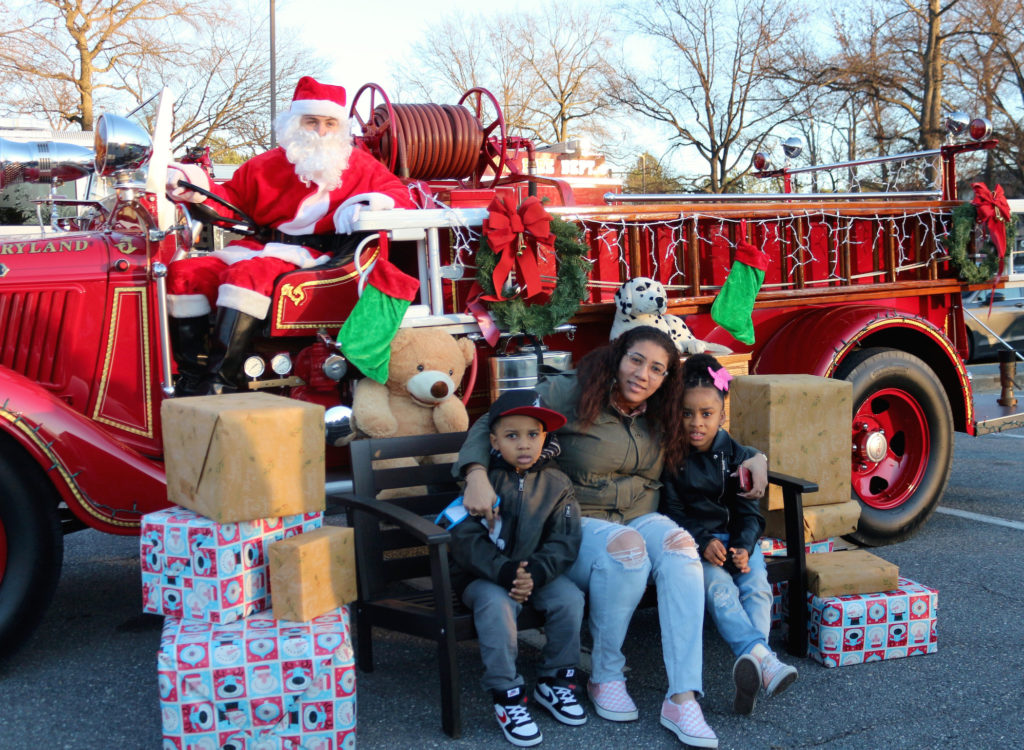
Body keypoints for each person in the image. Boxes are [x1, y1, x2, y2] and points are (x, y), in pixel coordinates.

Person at [457, 325, 769, 749]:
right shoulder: (575, 390)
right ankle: (605, 675)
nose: (644, 374)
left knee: (680, 548)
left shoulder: (663, 404)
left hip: (640, 516)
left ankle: (682, 696)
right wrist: (475, 473)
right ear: (619, 355)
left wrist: (756, 457)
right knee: (629, 550)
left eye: (657, 369)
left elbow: (712, 435)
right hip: (576, 521)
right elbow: (496, 418)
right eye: (636, 360)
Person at [163, 75, 414, 395]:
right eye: (311, 121)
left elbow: (400, 196)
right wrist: (191, 184)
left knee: (246, 275)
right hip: (262, 246)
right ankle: (191, 374)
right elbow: (229, 201)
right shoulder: (265, 165)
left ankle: (219, 380)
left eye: (329, 123)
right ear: (295, 122)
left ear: (340, 128)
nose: (321, 132)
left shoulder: (362, 166)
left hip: (317, 254)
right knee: (185, 272)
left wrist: (367, 204)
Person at [445, 388, 585, 747]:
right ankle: (507, 696)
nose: (524, 444)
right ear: (493, 441)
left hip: (534, 572)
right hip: (484, 578)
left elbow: (565, 540)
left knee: (569, 598)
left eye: (533, 435)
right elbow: (464, 540)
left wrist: (535, 572)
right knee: (497, 604)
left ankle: (555, 682)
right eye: (512, 435)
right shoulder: (480, 482)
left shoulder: (557, 484)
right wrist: (505, 572)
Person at [660, 352, 798, 717]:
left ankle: (755, 665)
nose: (696, 424)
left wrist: (743, 545)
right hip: (699, 546)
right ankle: (762, 661)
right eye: (687, 414)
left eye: (707, 414)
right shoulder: (673, 458)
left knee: (757, 586)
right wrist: (705, 543)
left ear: (722, 415)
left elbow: (750, 512)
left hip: (737, 539)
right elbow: (673, 514)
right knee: (720, 590)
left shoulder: (739, 457)